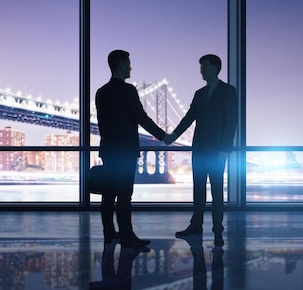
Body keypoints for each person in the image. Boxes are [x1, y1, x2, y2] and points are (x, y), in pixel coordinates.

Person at [95, 50, 166, 248]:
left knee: (108, 194)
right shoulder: (128, 90)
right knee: (125, 194)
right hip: (125, 151)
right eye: (128, 63)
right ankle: (127, 236)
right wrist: (164, 137)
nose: (131, 67)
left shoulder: (101, 92)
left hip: (109, 150)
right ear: (119, 65)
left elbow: (102, 123)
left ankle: (109, 234)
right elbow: (141, 118)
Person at [165, 54, 237, 246]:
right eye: (201, 66)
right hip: (199, 149)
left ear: (215, 67)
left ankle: (217, 229)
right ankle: (195, 227)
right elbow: (188, 118)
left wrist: (224, 150)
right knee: (198, 190)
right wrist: (172, 137)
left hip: (217, 151)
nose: (201, 69)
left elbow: (231, 123)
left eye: (205, 66)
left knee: (216, 191)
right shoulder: (199, 93)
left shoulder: (228, 91)